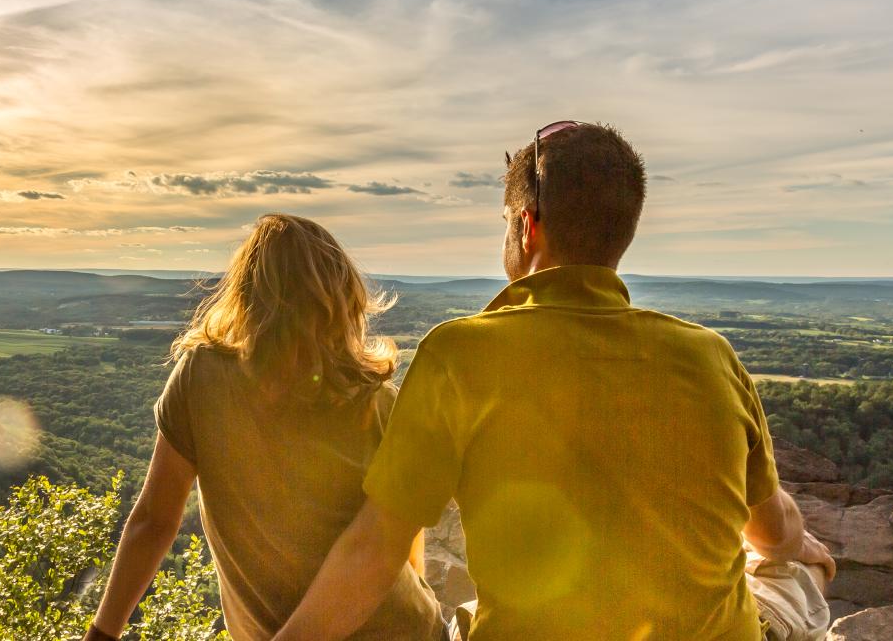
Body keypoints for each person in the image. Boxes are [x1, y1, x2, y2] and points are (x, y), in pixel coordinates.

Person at [270, 121, 835, 641]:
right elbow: (773, 530)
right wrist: (797, 547)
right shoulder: (711, 356)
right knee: (794, 568)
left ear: (527, 224)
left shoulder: (459, 354)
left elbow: (374, 549)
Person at [83, 214, 444, 641]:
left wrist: (102, 634)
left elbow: (154, 521)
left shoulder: (201, 378)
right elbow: (400, 543)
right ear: (343, 299)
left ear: (248, 295)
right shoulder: (376, 402)